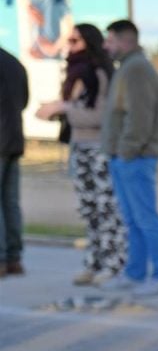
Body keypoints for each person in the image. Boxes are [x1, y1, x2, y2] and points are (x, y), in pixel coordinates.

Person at [35, 23, 126, 285]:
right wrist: (58, 111)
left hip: (99, 149)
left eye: (74, 41)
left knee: (106, 209)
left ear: (89, 42)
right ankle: (93, 262)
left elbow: (100, 115)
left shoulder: (98, 73)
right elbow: (78, 109)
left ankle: (112, 264)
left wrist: (63, 108)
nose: (69, 46)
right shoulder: (77, 73)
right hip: (79, 147)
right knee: (89, 210)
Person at [98, 20, 158, 297]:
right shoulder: (127, 67)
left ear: (124, 40)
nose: (106, 45)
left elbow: (140, 116)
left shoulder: (137, 68)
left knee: (146, 218)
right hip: (123, 156)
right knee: (132, 219)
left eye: (110, 40)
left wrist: (127, 150)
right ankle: (135, 273)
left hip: (135, 157)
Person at [0, 45, 27, 277]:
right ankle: (14, 258)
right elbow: (24, 100)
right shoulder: (13, 63)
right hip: (14, 140)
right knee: (10, 201)